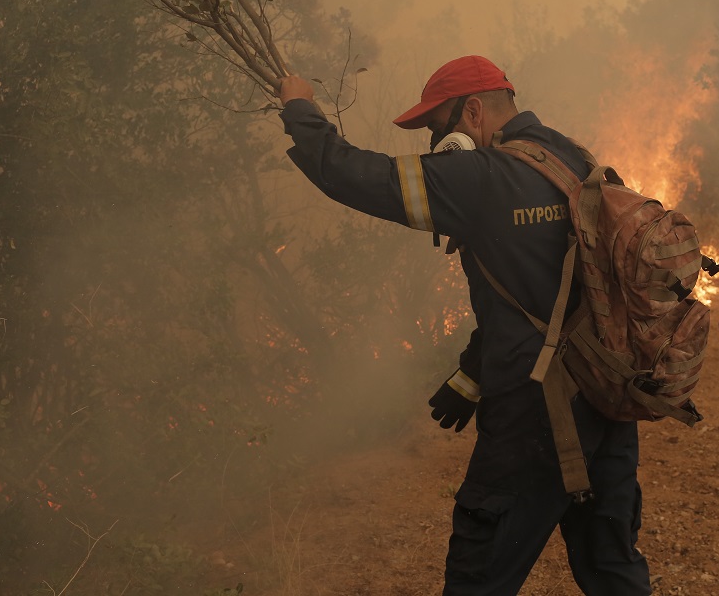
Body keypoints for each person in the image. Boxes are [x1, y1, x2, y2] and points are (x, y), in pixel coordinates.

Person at [277, 56, 652, 595]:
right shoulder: (572, 157)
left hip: (532, 414)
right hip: (604, 397)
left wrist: (300, 109)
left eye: (437, 128)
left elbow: (360, 177)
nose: (436, 145)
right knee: (612, 567)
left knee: (478, 573)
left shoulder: (481, 176)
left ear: (472, 112)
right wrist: (473, 374)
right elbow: (547, 290)